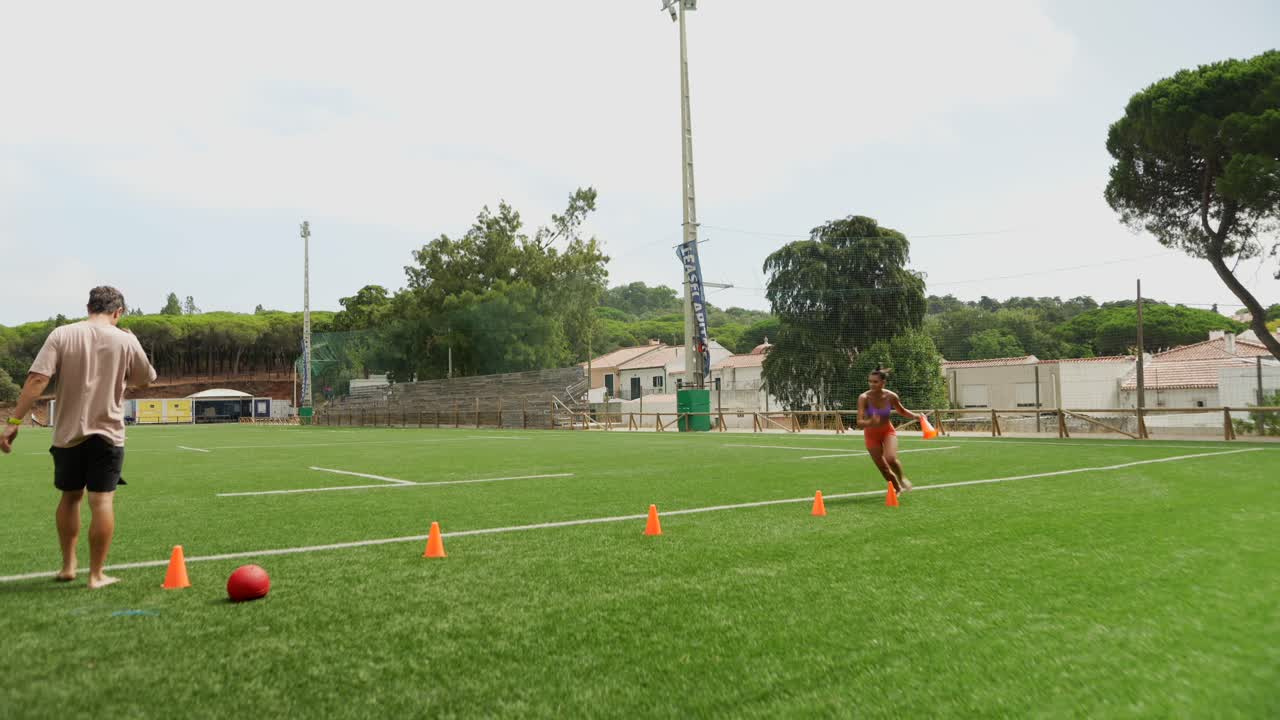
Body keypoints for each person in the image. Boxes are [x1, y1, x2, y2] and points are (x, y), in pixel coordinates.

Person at [0, 287, 156, 589]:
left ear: (88, 307)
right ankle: (96, 575)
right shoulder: (126, 339)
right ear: (118, 312)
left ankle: (68, 566)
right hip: (108, 434)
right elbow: (145, 379)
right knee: (101, 501)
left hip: (67, 434)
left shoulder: (61, 334)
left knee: (70, 497)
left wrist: (14, 421)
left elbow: (36, 380)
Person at [856, 367, 922, 495]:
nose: (872, 384)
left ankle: (902, 478)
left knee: (890, 458)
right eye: (870, 381)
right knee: (883, 468)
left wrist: (915, 416)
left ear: (883, 383)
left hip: (887, 431)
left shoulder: (891, 396)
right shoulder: (863, 397)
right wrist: (870, 422)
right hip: (871, 435)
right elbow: (859, 422)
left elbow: (902, 411)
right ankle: (897, 488)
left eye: (875, 382)